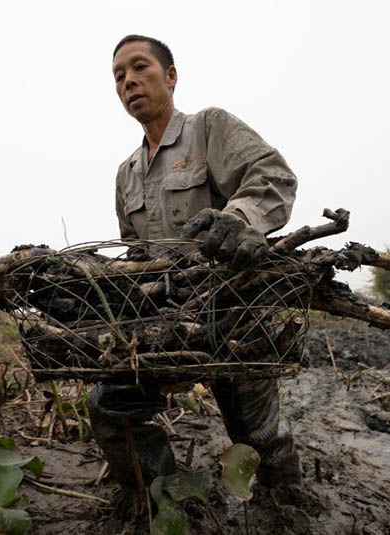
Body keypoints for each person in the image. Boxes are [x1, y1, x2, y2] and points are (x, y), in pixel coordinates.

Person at [88, 34, 301, 507]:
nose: (128, 81)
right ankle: (163, 500)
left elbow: (274, 177)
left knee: (257, 434)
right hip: (165, 324)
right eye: (118, 76)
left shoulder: (209, 128)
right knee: (111, 405)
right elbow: (135, 258)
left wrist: (237, 222)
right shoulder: (126, 174)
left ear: (170, 76)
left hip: (233, 314)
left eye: (139, 68)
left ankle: (285, 503)